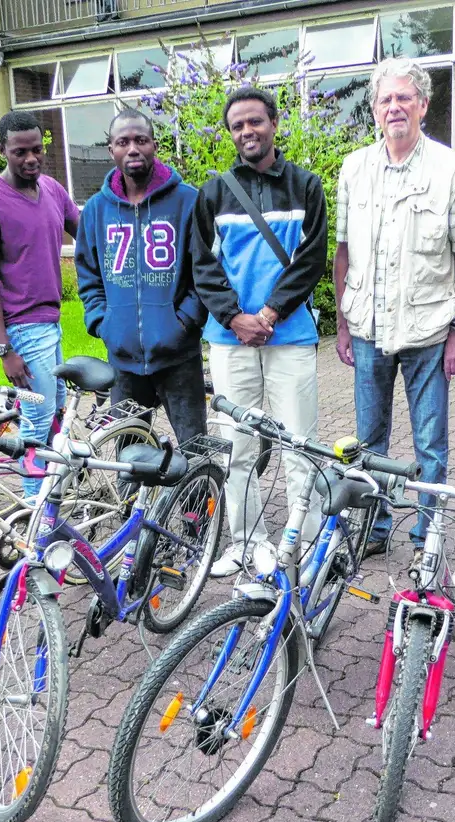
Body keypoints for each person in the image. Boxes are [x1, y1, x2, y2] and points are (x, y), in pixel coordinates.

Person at [333, 58, 455, 569]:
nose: (393, 107)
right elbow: (344, 250)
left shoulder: (449, 169)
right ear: (374, 109)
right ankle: (373, 528)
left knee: (430, 445)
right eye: (384, 99)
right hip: (369, 328)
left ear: (422, 104)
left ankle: (428, 535)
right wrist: (342, 323)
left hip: (428, 331)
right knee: (369, 440)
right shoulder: (354, 168)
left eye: (403, 98)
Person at [193, 86, 329, 577]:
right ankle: (247, 541)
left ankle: (308, 538)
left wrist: (268, 314)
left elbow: (311, 260)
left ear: (274, 122)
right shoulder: (213, 193)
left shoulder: (306, 186)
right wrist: (234, 317)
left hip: (288, 335)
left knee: (300, 444)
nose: (247, 131)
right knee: (237, 447)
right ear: (231, 134)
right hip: (230, 339)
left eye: (255, 121)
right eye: (237, 126)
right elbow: (202, 265)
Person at [75, 107, 208, 444]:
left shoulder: (188, 201)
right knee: (130, 460)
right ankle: (134, 502)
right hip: (123, 361)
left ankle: (202, 499)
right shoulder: (96, 210)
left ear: (154, 145)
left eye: (141, 140)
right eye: (123, 142)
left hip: (179, 356)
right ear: (111, 151)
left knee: (195, 451)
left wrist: (185, 322)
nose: (132, 148)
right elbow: (88, 273)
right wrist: (103, 322)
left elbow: (205, 269)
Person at [0, 110, 80, 496]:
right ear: (3, 150)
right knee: (38, 418)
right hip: (21, 326)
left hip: (51, 320)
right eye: (20, 152)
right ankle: (35, 515)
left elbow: (83, 231)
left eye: (37, 150)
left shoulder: (51, 188)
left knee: (58, 410)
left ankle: (52, 493)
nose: (31, 159)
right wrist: (5, 349)